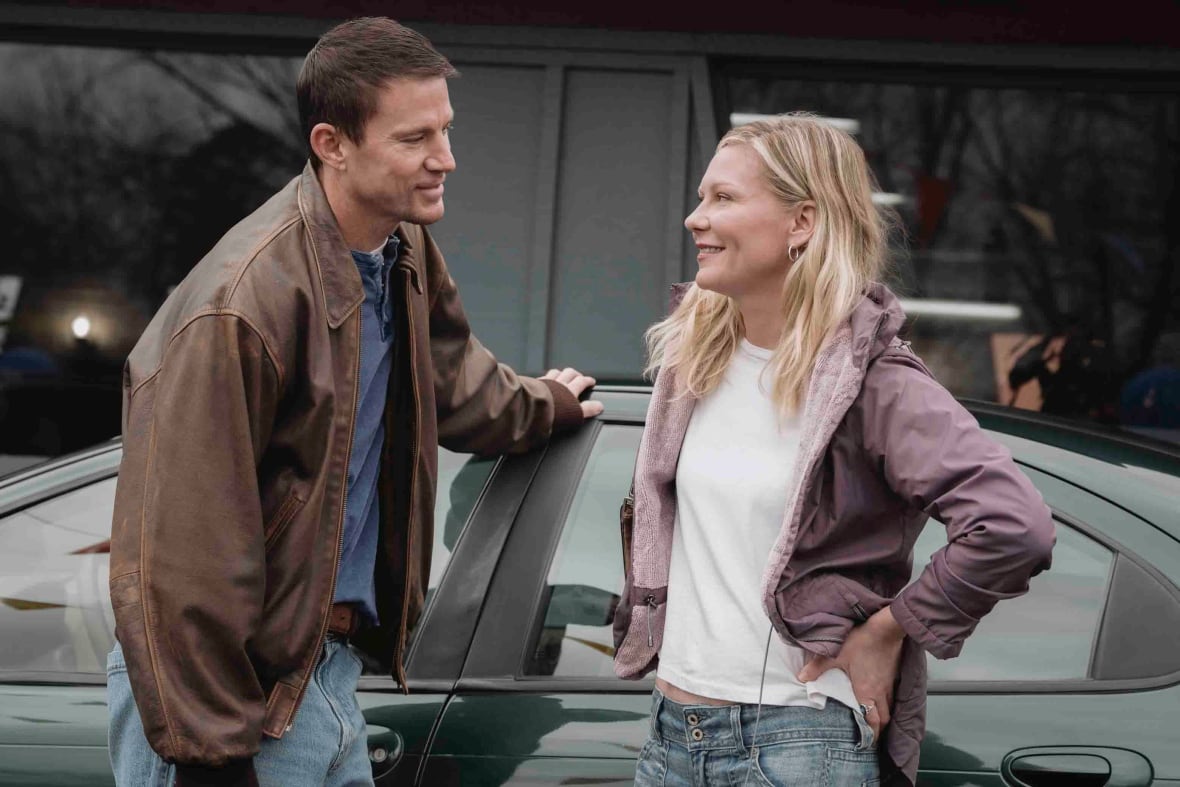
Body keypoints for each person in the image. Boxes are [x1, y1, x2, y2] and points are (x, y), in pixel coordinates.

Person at [107, 17, 602, 787]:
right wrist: (213, 758)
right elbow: (181, 555)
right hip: (237, 703)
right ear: (332, 144)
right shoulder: (242, 305)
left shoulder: (399, 251)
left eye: (444, 129)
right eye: (414, 139)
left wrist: (549, 405)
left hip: (326, 679)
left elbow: (457, 379)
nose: (446, 158)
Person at [612, 114, 1055, 787]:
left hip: (794, 742)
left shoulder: (874, 380)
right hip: (672, 733)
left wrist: (890, 628)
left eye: (724, 198)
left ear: (802, 222)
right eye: (702, 196)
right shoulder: (691, 362)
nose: (694, 218)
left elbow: (1013, 525)